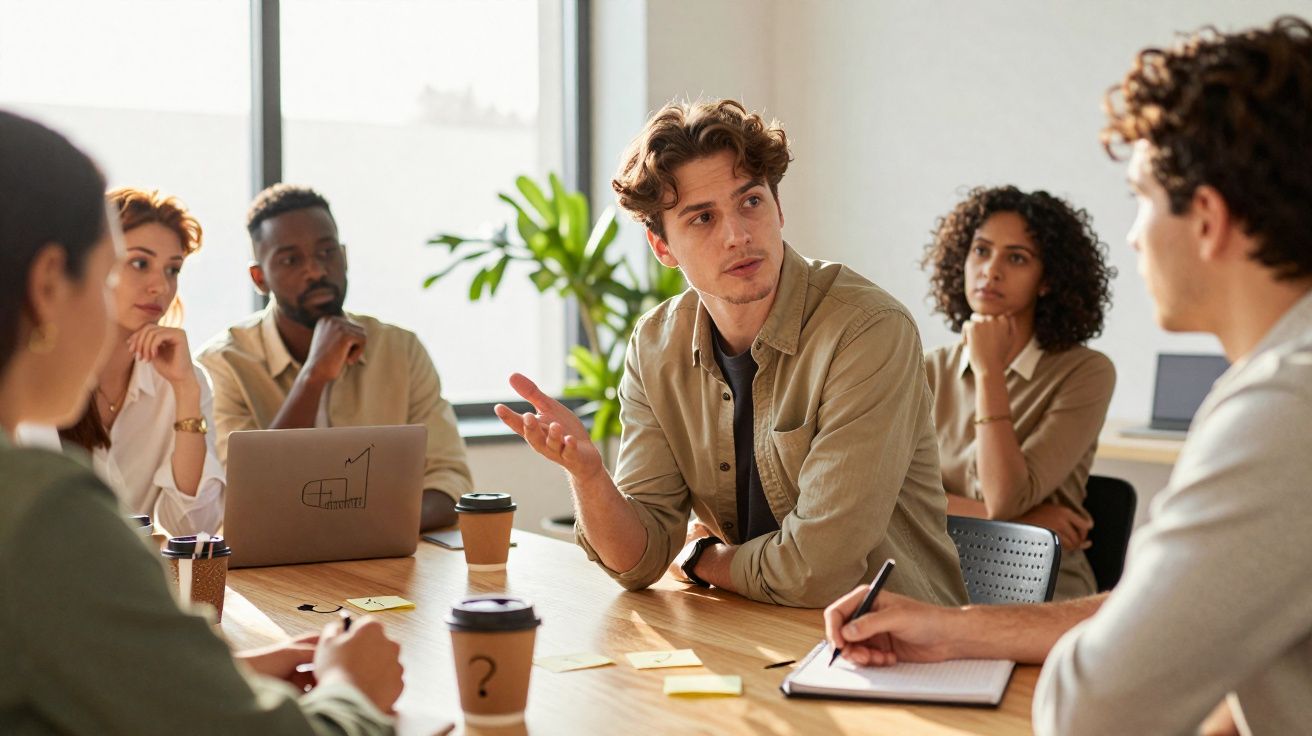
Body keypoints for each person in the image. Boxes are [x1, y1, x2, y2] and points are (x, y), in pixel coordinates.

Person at [825, 16, 1312, 735]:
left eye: (1143, 196)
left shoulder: (1283, 408)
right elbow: (1162, 613)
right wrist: (948, 628)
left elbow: (1092, 709)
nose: (1135, 233)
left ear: (1206, 219)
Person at [0, 109, 402, 733]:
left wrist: (222, 672)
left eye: (171, 269)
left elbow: (79, 661)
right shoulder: (40, 508)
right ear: (50, 283)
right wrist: (353, 689)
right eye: (115, 265)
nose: (153, 286)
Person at [493, 99, 967, 608]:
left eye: (751, 202)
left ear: (778, 208)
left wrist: (702, 559)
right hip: (751, 630)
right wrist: (589, 477)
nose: (738, 235)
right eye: (702, 218)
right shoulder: (656, 345)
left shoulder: (868, 331)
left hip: (897, 648)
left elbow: (818, 570)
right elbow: (639, 562)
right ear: (663, 248)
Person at [198, 184, 472, 530]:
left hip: (386, 558)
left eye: (327, 252)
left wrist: (363, 530)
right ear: (259, 278)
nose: (315, 270)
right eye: (290, 260)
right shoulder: (220, 366)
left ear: (344, 257)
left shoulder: (400, 350)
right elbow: (244, 499)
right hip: (271, 572)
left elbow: (451, 479)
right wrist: (313, 376)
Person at [922, 186, 1116, 599]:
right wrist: (1025, 521)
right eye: (981, 250)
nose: (990, 270)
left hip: (1040, 589)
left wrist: (989, 369)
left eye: (1016, 258)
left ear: (1047, 281)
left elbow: (1003, 500)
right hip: (935, 579)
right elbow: (888, 498)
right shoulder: (925, 368)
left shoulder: (1085, 372)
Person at [20, 187, 225, 535]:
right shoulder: (33, 371)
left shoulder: (181, 380)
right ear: (92, 264)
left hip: (138, 581)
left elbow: (192, 529)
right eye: (139, 263)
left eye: (172, 270)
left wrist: (186, 392)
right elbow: (41, 519)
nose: (160, 286)